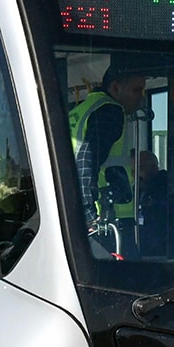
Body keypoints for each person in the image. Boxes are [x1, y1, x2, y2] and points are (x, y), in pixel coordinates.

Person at [69, 65, 146, 233]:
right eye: (136, 90)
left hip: (76, 211)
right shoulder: (109, 111)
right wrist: (89, 215)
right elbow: (86, 160)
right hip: (107, 217)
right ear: (116, 87)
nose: (141, 97)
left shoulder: (79, 111)